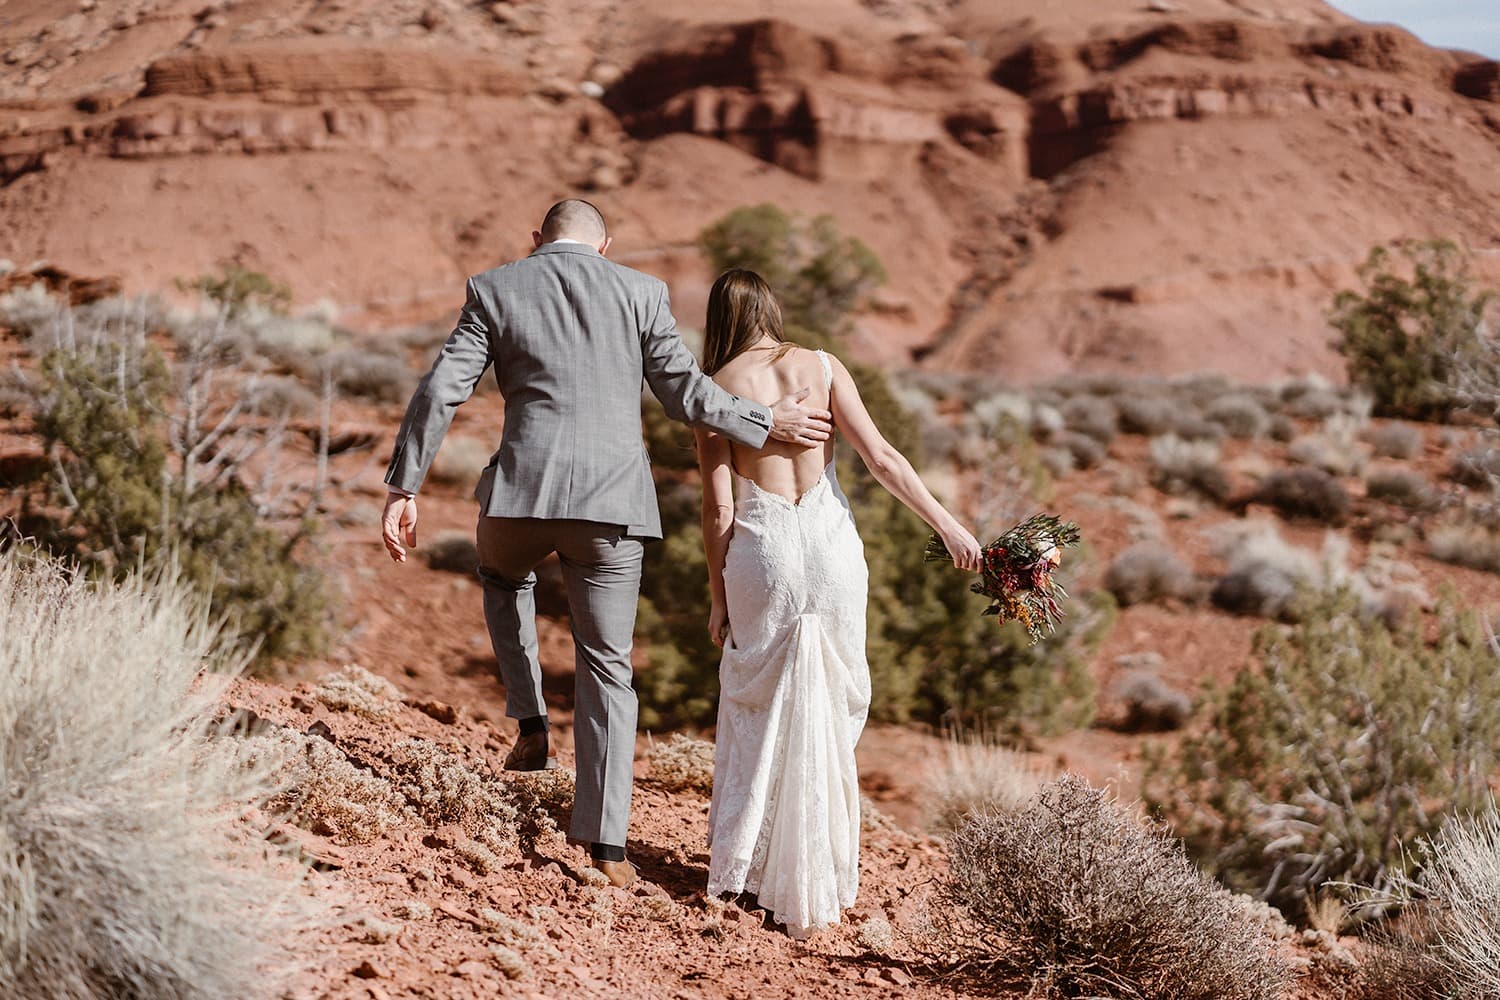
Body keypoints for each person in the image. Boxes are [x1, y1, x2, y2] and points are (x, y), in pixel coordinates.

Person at [380, 201, 835, 888]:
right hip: (612, 510)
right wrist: (761, 419)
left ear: (537, 241)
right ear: (605, 246)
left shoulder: (494, 287)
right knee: (607, 667)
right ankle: (606, 846)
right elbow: (684, 395)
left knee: (504, 579)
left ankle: (530, 718)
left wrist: (403, 487)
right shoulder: (642, 292)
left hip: (519, 500)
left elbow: (442, 388)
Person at [693, 268, 982, 937]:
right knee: (828, 699)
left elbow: (718, 509)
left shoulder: (712, 393)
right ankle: (819, 871)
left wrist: (717, 597)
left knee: (758, 700)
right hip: (829, 547)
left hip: (763, 550)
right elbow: (883, 458)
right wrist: (947, 523)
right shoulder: (822, 366)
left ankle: (754, 873)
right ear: (771, 309)